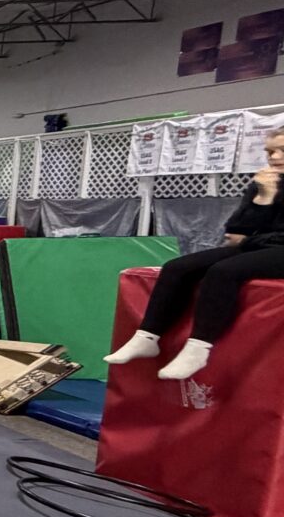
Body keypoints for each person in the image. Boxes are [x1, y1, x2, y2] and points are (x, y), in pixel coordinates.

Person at [106, 124, 284, 379]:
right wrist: (262, 198)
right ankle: (148, 335)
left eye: (281, 151)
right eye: (269, 151)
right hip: (260, 244)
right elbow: (237, 231)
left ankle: (199, 347)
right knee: (177, 267)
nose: (274, 157)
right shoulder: (264, 182)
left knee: (224, 271)